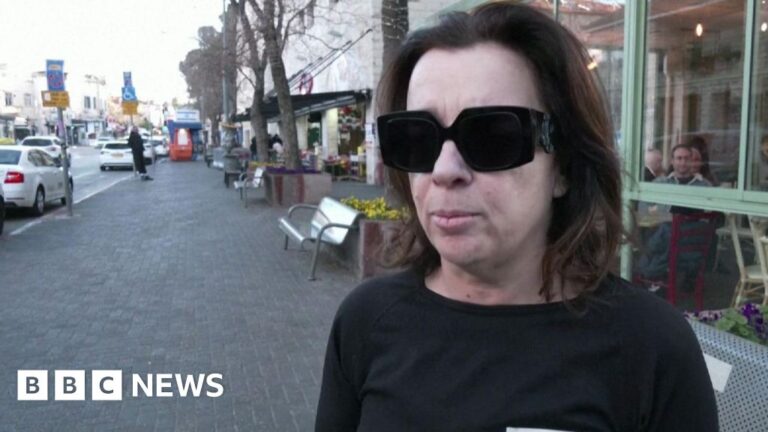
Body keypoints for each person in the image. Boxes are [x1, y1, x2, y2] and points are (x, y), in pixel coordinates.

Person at [315, 2, 717, 431]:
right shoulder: (365, 322)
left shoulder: (652, 347)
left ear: (562, 164)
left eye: (492, 136)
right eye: (416, 138)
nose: (444, 171)